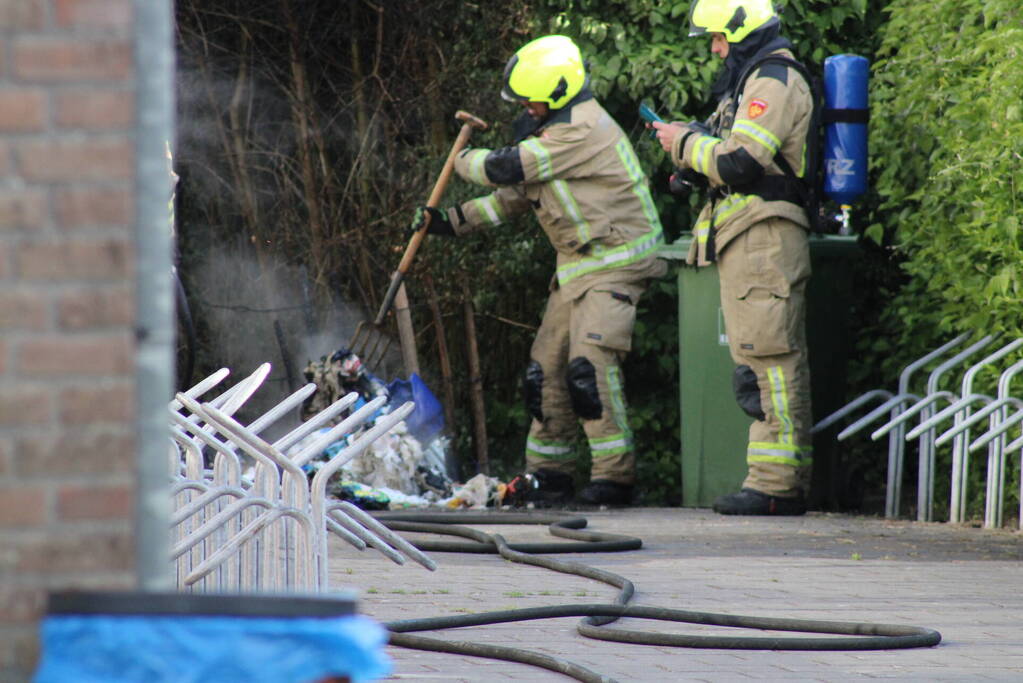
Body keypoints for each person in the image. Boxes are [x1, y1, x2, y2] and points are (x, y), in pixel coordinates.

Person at [411, 35, 666, 505]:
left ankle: (615, 477)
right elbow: (512, 197)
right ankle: (550, 474)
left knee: (589, 367)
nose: (526, 108)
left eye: (531, 100)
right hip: (577, 267)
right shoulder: (551, 130)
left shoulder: (582, 129)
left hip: (618, 261)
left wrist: (460, 159)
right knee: (543, 370)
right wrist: (450, 222)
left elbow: (505, 169)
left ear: (555, 94)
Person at [649, 0, 813, 515]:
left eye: (719, 38)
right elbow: (723, 157)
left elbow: (742, 160)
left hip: (764, 233)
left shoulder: (773, 79)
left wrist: (683, 143)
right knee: (754, 361)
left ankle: (777, 485)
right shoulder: (750, 80)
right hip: (746, 234)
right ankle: (770, 480)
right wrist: (690, 156)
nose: (716, 49)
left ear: (742, 32)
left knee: (770, 360)